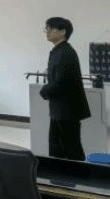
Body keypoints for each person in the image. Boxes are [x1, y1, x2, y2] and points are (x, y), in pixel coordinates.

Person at [39, 17, 91, 161]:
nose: (47, 32)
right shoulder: (58, 51)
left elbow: (61, 82)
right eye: (46, 29)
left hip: (67, 110)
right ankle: (59, 174)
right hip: (60, 109)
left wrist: (45, 91)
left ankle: (77, 174)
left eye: (51, 29)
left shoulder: (66, 52)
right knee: (58, 149)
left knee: (71, 150)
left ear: (63, 31)